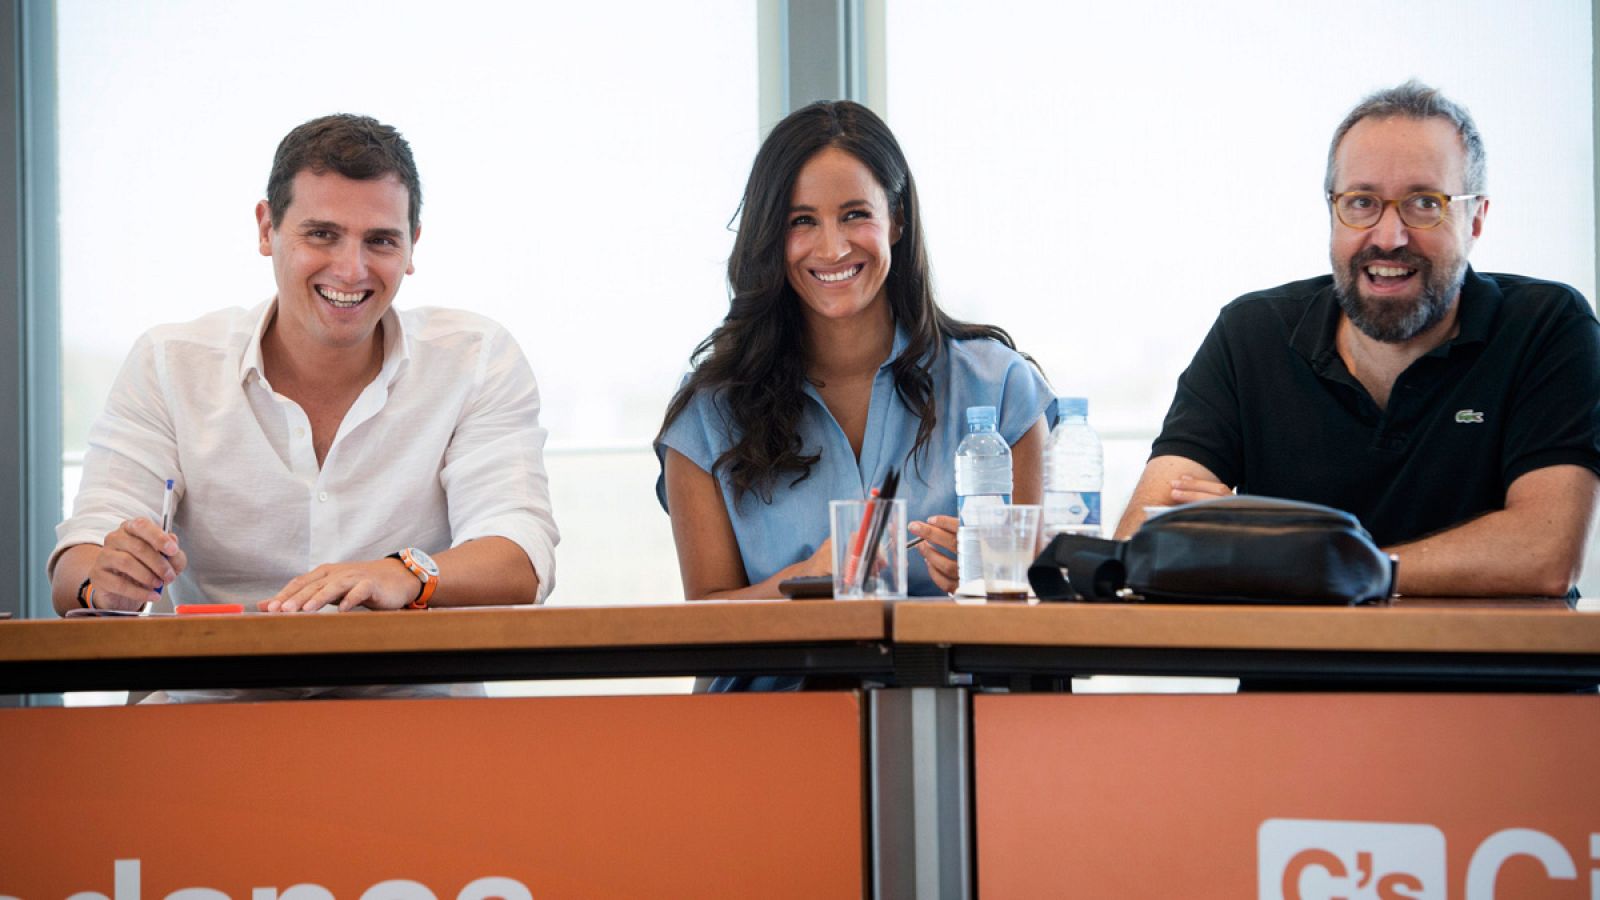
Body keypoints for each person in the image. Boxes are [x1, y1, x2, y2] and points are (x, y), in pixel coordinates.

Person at [49, 115, 557, 651]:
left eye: (381, 240)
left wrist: (405, 573)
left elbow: (520, 555)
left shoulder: (475, 358)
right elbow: (79, 561)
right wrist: (104, 581)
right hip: (217, 688)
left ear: (412, 246)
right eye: (322, 235)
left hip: (409, 689)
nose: (351, 269)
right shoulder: (170, 364)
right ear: (266, 229)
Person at [1116, 81, 1600, 598]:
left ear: (1475, 219)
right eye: (1362, 202)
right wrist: (1298, 559)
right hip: (1297, 655)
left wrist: (1306, 560)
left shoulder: (1547, 327)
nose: (1389, 237)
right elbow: (1142, 540)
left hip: (1486, 655)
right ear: (1332, 211)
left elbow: (1544, 554)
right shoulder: (1251, 334)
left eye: (1424, 203)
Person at [656, 100, 1054, 604]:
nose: (832, 249)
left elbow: (1044, 602)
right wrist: (804, 579)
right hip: (789, 661)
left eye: (855, 215)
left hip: (952, 660)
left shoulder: (1002, 388)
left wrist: (989, 581)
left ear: (897, 220)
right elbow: (705, 623)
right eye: (802, 221)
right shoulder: (708, 415)